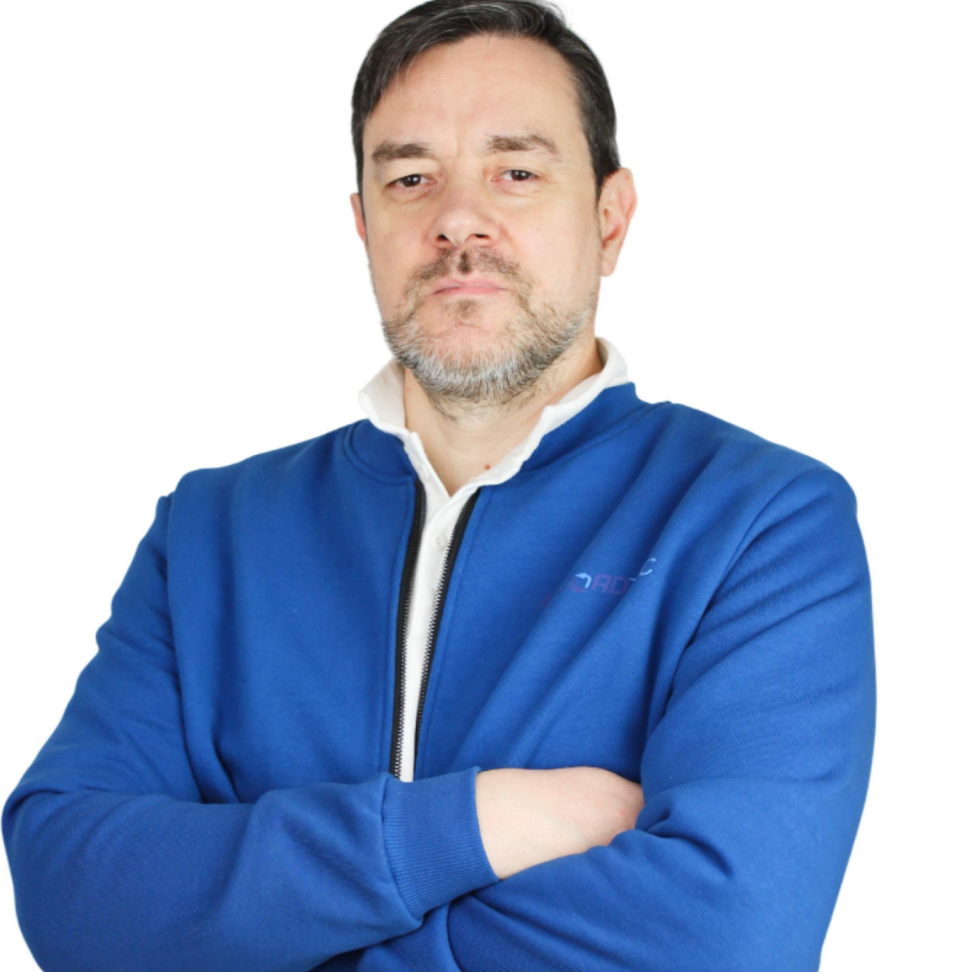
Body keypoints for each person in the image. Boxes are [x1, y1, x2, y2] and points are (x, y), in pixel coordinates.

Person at [2, 2, 876, 971]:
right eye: (411, 178)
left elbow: (725, 940)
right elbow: (70, 891)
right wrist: (474, 824)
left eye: (517, 172)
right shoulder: (210, 535)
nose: (458, 218)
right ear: (363, 224)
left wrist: (257, 924)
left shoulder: (757, 520)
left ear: (610, 217)